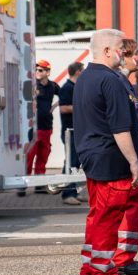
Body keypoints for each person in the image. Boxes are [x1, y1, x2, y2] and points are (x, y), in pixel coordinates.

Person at [74, 29, 138, 275]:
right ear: (106, 51)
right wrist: (133, 163)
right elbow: (119, 128)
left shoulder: (85, 78)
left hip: (92, 156)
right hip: (110, 159)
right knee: (108, 219)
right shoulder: (111, 80)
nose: (123, 53)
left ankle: (89, 269)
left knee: (96, 216)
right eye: (120, 48)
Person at [109, 38, 138, 270]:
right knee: (132, 203)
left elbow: (129, 114)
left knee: (136, 203)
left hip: (132, 154)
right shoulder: (117, 81)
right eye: (136, 54)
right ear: (124, 55)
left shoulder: (125, 82)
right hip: (126, 159)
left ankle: (123, 257)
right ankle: (122, 258)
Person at [26, 59, 60, 177]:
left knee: (43, 155)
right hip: (33, 127)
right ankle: (23, 183)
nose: (37, 72)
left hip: (46, 126)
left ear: (47, 72)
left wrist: (55, 106)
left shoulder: (53, 86)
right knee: (29, 156)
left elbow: (65, 96)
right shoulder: (31, 84)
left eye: (40, 70)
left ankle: (39, 183)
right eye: (36, 70)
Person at [58, 62, 85, 205]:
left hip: (77, 131)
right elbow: (63, 108)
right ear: (77, 72)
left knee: (76, 162)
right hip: (69, 132)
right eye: (83, 70)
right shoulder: (67, 88)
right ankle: (67, 193)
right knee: (71, 161)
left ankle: (73, 191)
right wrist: (83, 106)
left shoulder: (76, 87)